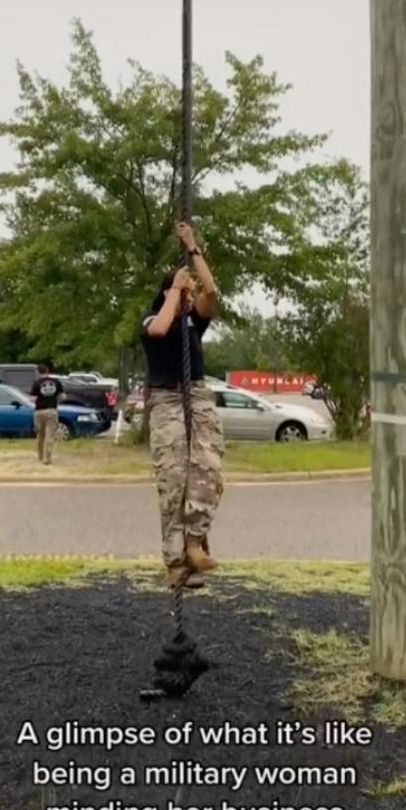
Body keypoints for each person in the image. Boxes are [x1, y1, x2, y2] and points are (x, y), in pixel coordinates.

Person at [142, 221, 226, 589]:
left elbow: (212, 291)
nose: (190, 296)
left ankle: (195, 542)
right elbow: (159, 329)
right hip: (166, 400)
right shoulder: (153, 319)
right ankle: (174, 561)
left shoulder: (194, 322)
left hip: (197, 395)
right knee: (173, 480)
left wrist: (192, 247)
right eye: (181, 291)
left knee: (207, 470)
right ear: (167, 293)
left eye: (187, 292)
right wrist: (174, 292)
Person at [30, 362, 64, 465]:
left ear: (38, 372)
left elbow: (32, 398)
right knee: (50, 435)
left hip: (39, 411)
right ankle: (47, 458)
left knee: (40, 435)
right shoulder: (56, 382)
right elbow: (63, 396)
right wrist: (55, 401)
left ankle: (40, 456)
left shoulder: (36, 383)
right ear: (48, 371)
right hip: (51, 410)